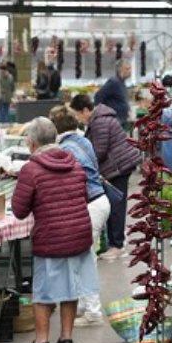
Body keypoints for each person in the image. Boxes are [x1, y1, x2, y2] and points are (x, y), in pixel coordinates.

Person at [12, 117, 96, 343]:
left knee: (43, 291)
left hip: (51, 237)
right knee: (71, 288)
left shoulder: (31, 169)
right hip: (79, 233)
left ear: (32, 142)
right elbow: (85, 195)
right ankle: (66, 339)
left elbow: (19, 211)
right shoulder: (75, 163)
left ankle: (42, 342)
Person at [51, 105, 109, 323]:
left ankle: (93, 312)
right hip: (100, 201)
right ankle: (85, 305)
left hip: (90, 204)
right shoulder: (82, 140)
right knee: (84, 257)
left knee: (85, 260)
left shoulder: (65, 149)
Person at [68, 93, 139, 261]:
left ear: (85, 110)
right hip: (118, 165)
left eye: (78, 114)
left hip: (119, 166)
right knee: (115, 203)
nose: (78, 118)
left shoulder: (99, 122)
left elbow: (98, 152)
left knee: (116, 205)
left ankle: (117, 246)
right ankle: (116, 242)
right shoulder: (99, 118)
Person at [94, 59, 132, 124]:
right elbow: (98, 97)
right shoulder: (113, 82)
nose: (130, 71)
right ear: (120, 69)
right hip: (113, 122)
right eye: (127, 69)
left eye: (130, 69)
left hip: (121, 121)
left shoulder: (122, 83)